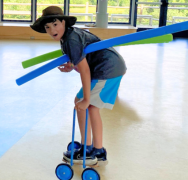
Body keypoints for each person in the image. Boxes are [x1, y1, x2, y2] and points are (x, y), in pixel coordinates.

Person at [31, 6, 127, 165]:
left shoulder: (70, 39)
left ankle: (87, 150)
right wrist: (71, 65)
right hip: (112, 66)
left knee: (81, 103)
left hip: (106, 69)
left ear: (63, 22)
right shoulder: (70, 34)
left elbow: (85, 71)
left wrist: (86, 99)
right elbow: (81, 58)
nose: (52, 30)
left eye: (55, 24)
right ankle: (98, 151)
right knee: (92, 108)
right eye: (47, 27)